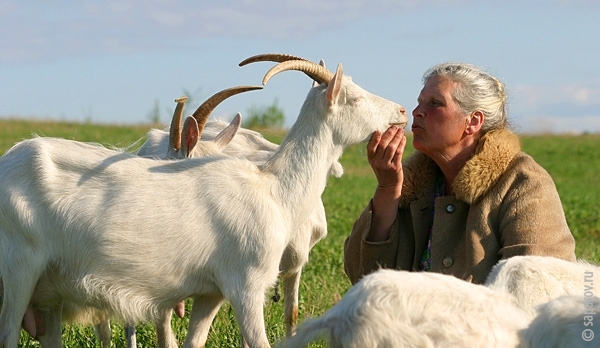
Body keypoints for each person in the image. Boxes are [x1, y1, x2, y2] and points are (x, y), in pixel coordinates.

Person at [344, 62, 576, 285]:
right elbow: (363, 277)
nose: (416, 112)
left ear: (473, 121)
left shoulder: (523, 183)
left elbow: (537, 287)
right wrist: (387, 188)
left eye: (435, 103)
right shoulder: (415, 185)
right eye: (419, 102)